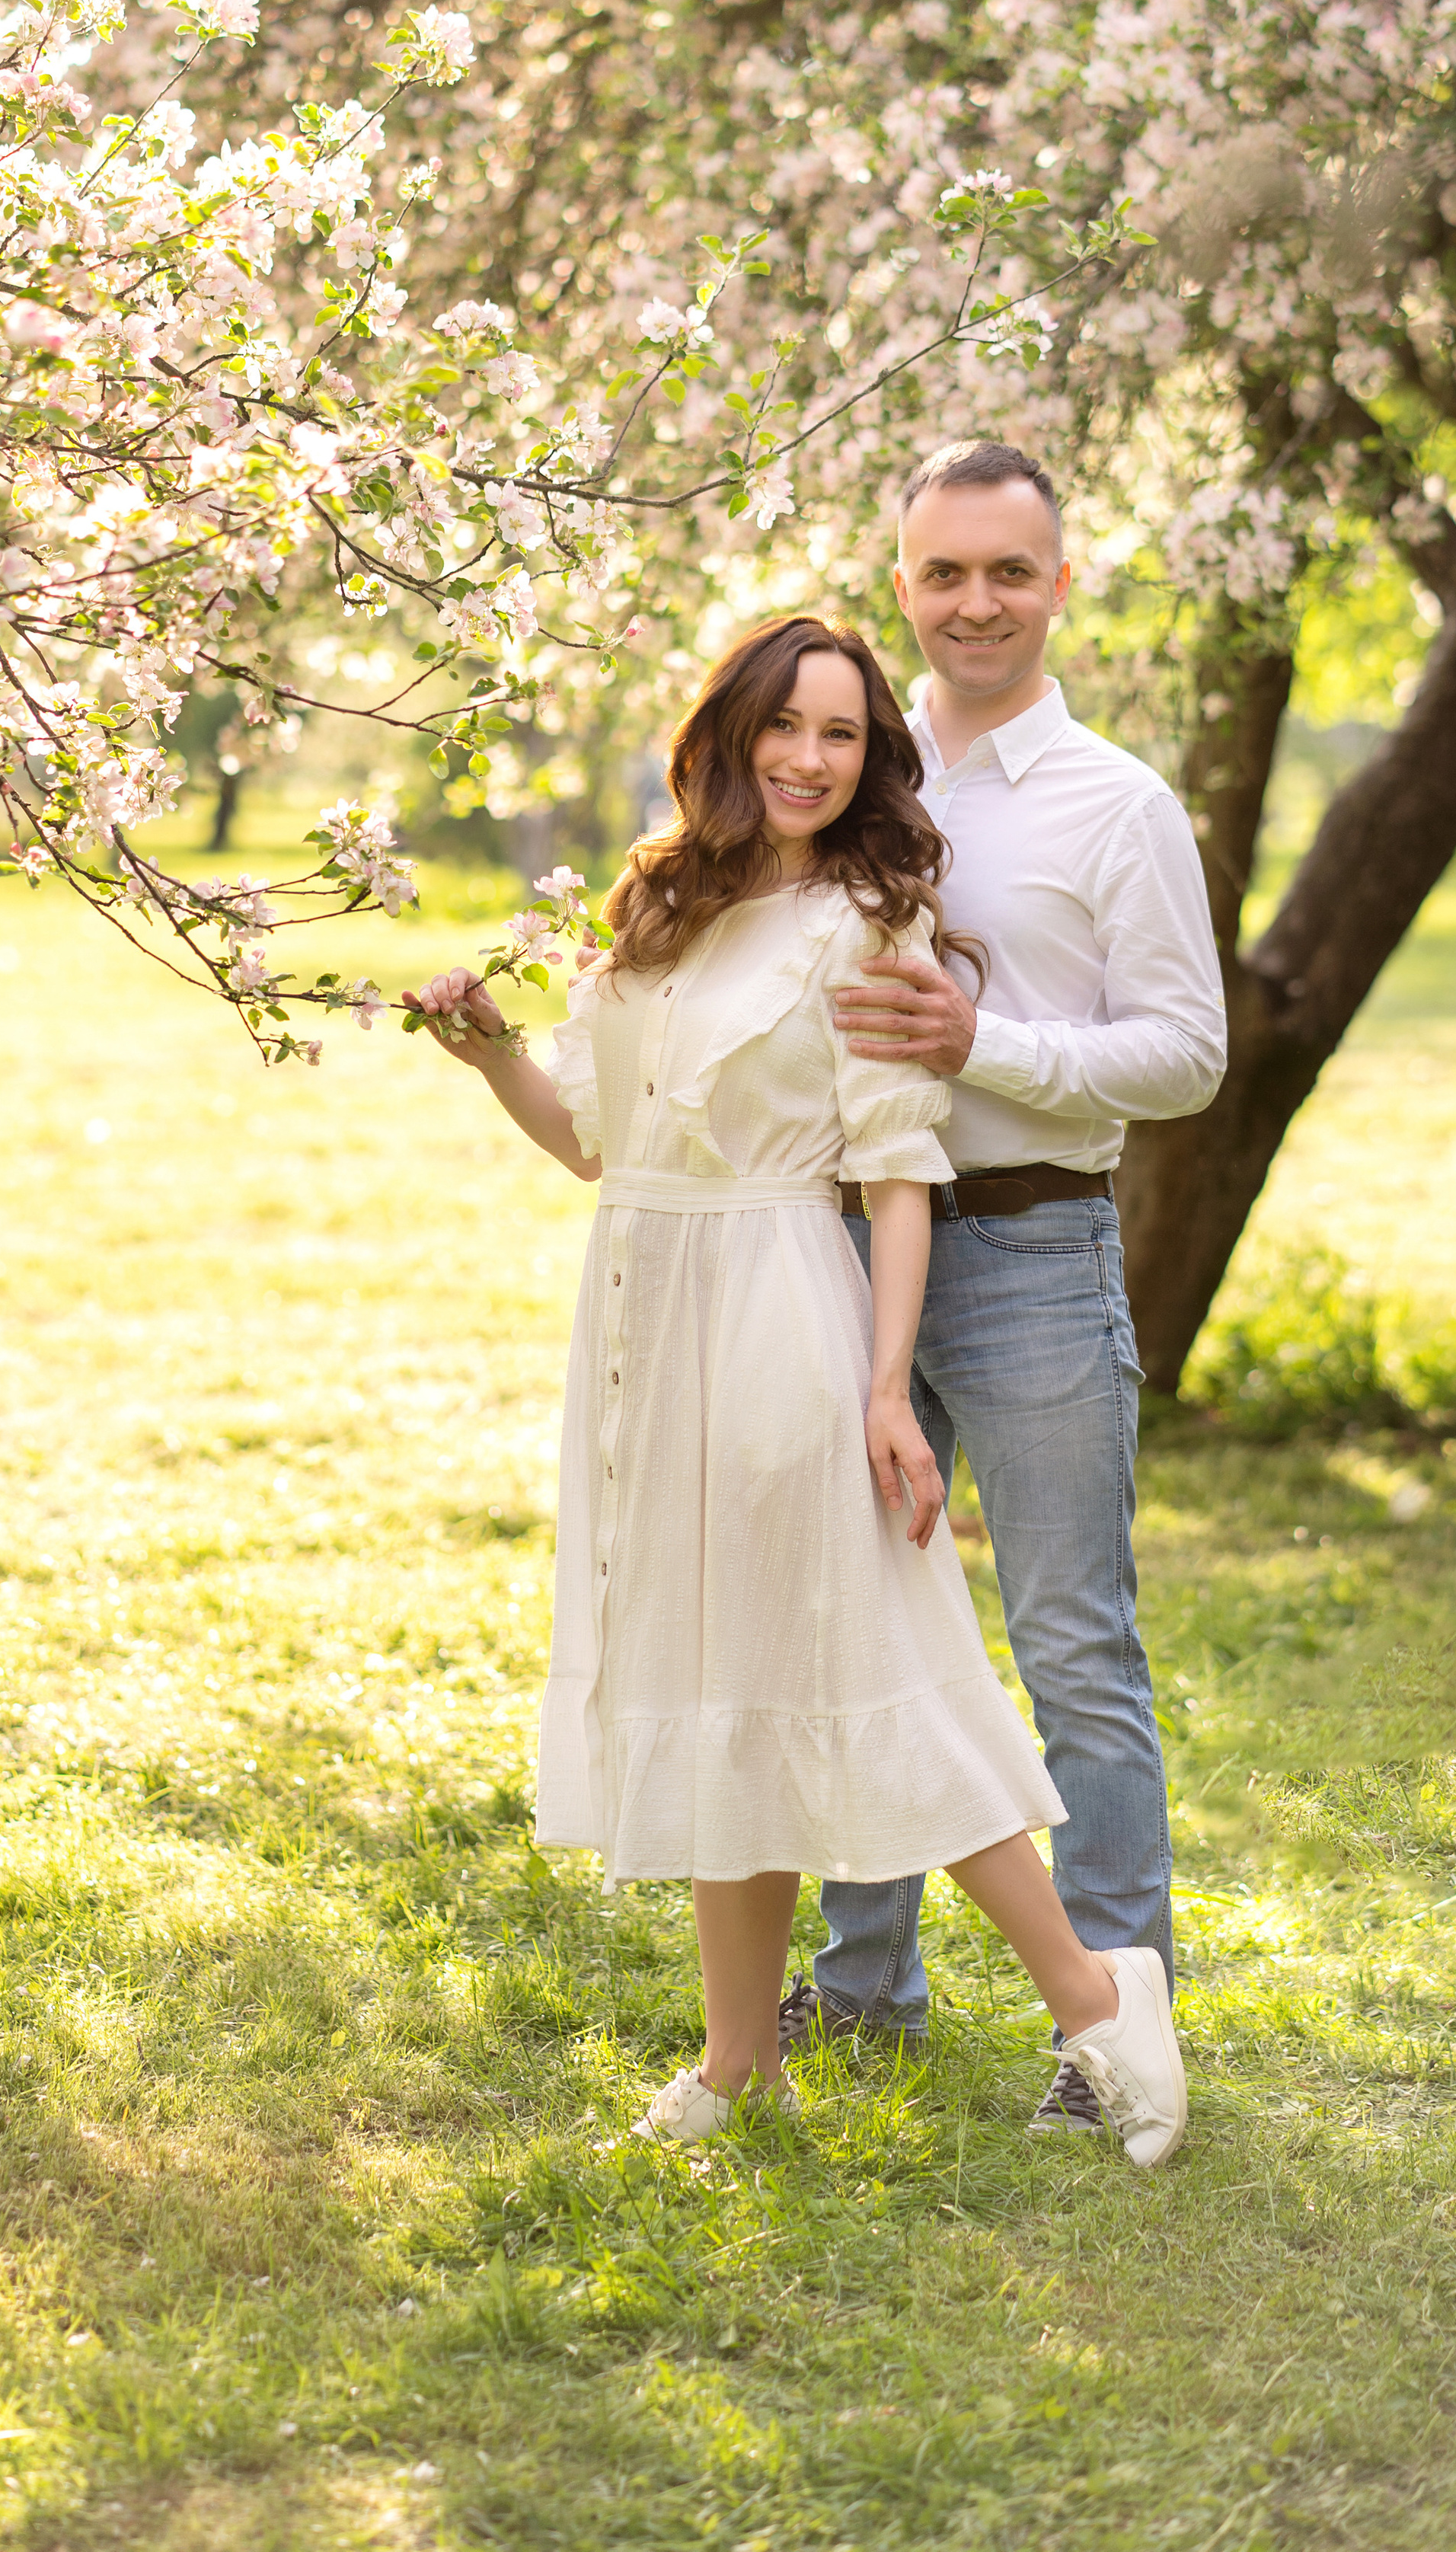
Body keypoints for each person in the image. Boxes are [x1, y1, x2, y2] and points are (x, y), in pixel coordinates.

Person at [404, 615, 1188, 2165]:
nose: (808, 760)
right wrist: (490, 1049)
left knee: (868, 1665)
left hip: (781, 1307)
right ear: (726, 731)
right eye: (785, 726)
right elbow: (590, 1144)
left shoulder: (869, 919)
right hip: (642, 1312)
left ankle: (1097, 1994)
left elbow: (896, 1178)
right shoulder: (655, 904)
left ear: (868, 756)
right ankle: (737, 2056)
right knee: (717, 1674)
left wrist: (885, 1391)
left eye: (840, 735)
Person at [800, 438, 1227, 2142]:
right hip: (840, 1257)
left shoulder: (1113, 804)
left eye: (1006, 571)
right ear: (900, 581)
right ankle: (858, 1994)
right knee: (862, 1631)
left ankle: (1113, 2029)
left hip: (1040, 1251)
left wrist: (993, 1045)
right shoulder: (836, 775)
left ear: (1060, 585)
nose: (973, 601)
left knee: (1071, 1650)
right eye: (940, 571)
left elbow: (1186, 1053)